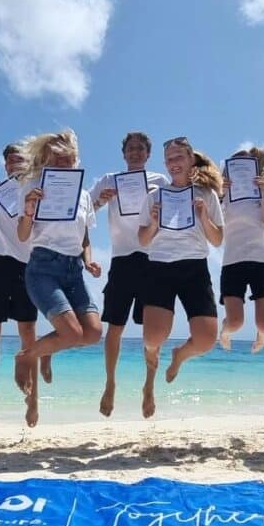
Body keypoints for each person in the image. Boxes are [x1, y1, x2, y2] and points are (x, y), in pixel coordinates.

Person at [13, 130, 102, 405]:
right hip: (43, 268)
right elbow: (23, 236)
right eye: (57, 160)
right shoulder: (32, 188)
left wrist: (88, 261)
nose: (64, 164)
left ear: (76, 161)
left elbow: (85, 236)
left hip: (73, 270)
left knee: (93, 333)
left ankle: (47, 350)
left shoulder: (84, 196)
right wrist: (29, 210)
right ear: (47, 161)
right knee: (72, 333)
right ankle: (27, 356)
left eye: (68, 159)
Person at [137, 137, 224, 418]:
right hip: (160, 266)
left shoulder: (206, 195)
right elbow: (143, 239)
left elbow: (218, 239)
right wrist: (152, 222)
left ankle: (178, 356)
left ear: (190, 161)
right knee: (152, 338)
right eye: (169, 159)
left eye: (179, 158)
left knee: (207, 340)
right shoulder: (154, 196)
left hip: (194, 267)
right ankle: (149, 384)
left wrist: (203, 216)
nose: (174, 163)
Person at [89, 132, 169, 417]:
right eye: (130, 149)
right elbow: (84, 210)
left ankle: (149, 386)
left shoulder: (160, 181)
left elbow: (177, 210)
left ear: (148, 154)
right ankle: (110, 383)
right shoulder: (109, 180)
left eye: (140, 149)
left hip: (153, 259)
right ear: (123, 154)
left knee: (152, 332)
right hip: (122, 258)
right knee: (115, 327)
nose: (135, 153)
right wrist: (101, 200)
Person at [0, 143, 40, 427]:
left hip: (28, 266)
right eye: (10, 160)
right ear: (4, 164)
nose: (15, 163)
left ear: (30, 163)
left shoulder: (37, 188)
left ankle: (33, 397)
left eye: (20, 159)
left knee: (28, 332)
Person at [218, 147, 264, 354]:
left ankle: (261, 337)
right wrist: (220, 194)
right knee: (235, 323)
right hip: (232, 260)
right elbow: (214, 224)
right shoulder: (222, 193)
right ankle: (225, 331)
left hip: (262, 259)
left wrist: (263, 194)